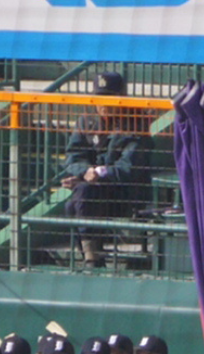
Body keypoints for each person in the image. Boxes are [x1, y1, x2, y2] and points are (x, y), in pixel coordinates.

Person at [62, 72, 160, 266]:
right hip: (93, 190)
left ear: (121, 97)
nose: (103, 105)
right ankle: (91, 257)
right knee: (73, 203)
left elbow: (128, 167)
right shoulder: (87, 119)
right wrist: (82, 173)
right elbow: (72, 156)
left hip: (125, 193)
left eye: (109, 98)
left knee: (82, 195)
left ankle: (92, 259)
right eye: (99, 98)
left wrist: (97, 173)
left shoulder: (137, 121)